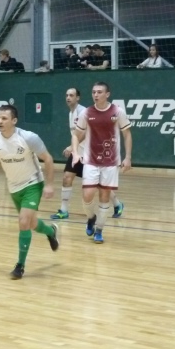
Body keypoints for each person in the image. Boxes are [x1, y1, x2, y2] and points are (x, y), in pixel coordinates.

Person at [0, 104, 59, 279]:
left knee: (23, 222)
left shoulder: (28, 138)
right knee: (31, 224)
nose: (0, 121)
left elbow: (48, 159)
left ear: (14, 121)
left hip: (33, 183)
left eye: (4, 118)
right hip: (13, 187)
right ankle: (51, 231)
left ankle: (20, 266)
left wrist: (49, 185)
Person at [71, 82, 132, 244]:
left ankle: (99, 230)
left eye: (99, 92)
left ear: (107, 94)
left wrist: (127, 157)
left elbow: (127, 134)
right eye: (93, 92)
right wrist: (75, 152)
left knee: (104, 196)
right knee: (87, 195)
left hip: (111, 162)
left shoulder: (117, 112)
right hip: (90, 160)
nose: (96, 95)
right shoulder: (86, 113)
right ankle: (91, 218)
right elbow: (76, 135)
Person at [51, 88, 124, 220]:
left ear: (78, 98)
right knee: (67, 178)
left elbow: (86, 133)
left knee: (100, 185)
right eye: (67, 95)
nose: (68, 98)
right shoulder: (71, 113)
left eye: (71, 95)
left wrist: (70, 147)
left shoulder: (83, 111)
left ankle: (117, 204)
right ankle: (64, 210)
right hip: (77, 153)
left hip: (90, 154)